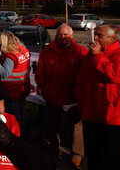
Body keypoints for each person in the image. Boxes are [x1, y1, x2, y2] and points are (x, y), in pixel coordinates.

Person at [75, 24, 120, 170]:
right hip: (91, 115)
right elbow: (82, 78)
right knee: (93, 157)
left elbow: (114, 75)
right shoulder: (91, 55)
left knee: (111, 158)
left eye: (100, 35)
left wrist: (98, 56)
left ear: (113, 38)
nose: (96, 38)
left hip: (112, 117)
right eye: (96, 34)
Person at [35, 25, 88, 166]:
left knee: (76, 128)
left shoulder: (80, 52)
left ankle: (77, 154)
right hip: (52, 95)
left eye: (66, 35)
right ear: (56, 35)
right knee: (52, 126)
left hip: (72, 98)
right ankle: (54, 149)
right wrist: (43, 87)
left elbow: (85, 75)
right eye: (60, 35)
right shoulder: (47, 51)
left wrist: (79, 94)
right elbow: (40, 71)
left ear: (72, 36)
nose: (63, 37)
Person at [0, 31, 31, 128]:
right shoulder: (22, 50)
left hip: (12, 92)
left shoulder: (11, 56)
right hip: (22, 88)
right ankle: (24, 132)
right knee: (21, 112)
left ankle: (16, 135)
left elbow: (5, 73)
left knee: (14, 117)